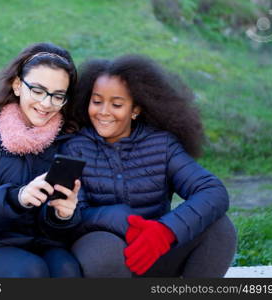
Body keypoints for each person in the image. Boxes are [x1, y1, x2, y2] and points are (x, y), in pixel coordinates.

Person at [62, 55, 237, 277]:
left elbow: (213, 191)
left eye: (116, 104)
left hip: (156, 251)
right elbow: (73, 215)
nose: (103, 111)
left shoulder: (162, 144)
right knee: (103, 250)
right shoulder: (75, 147)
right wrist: (117, 218)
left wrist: (165, 231)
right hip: (105, 254)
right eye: (97, 101)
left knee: (220, 229)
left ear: (135, 109)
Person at [0, 42, 83, 278]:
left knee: (68, 271)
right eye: (38, 90)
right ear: (17, 85)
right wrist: (17, 198)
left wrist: (63, 216)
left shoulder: (67, 139)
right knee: (29, 271)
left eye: (57, 96)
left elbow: (62, 226)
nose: (46, 103)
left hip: (41, 242)